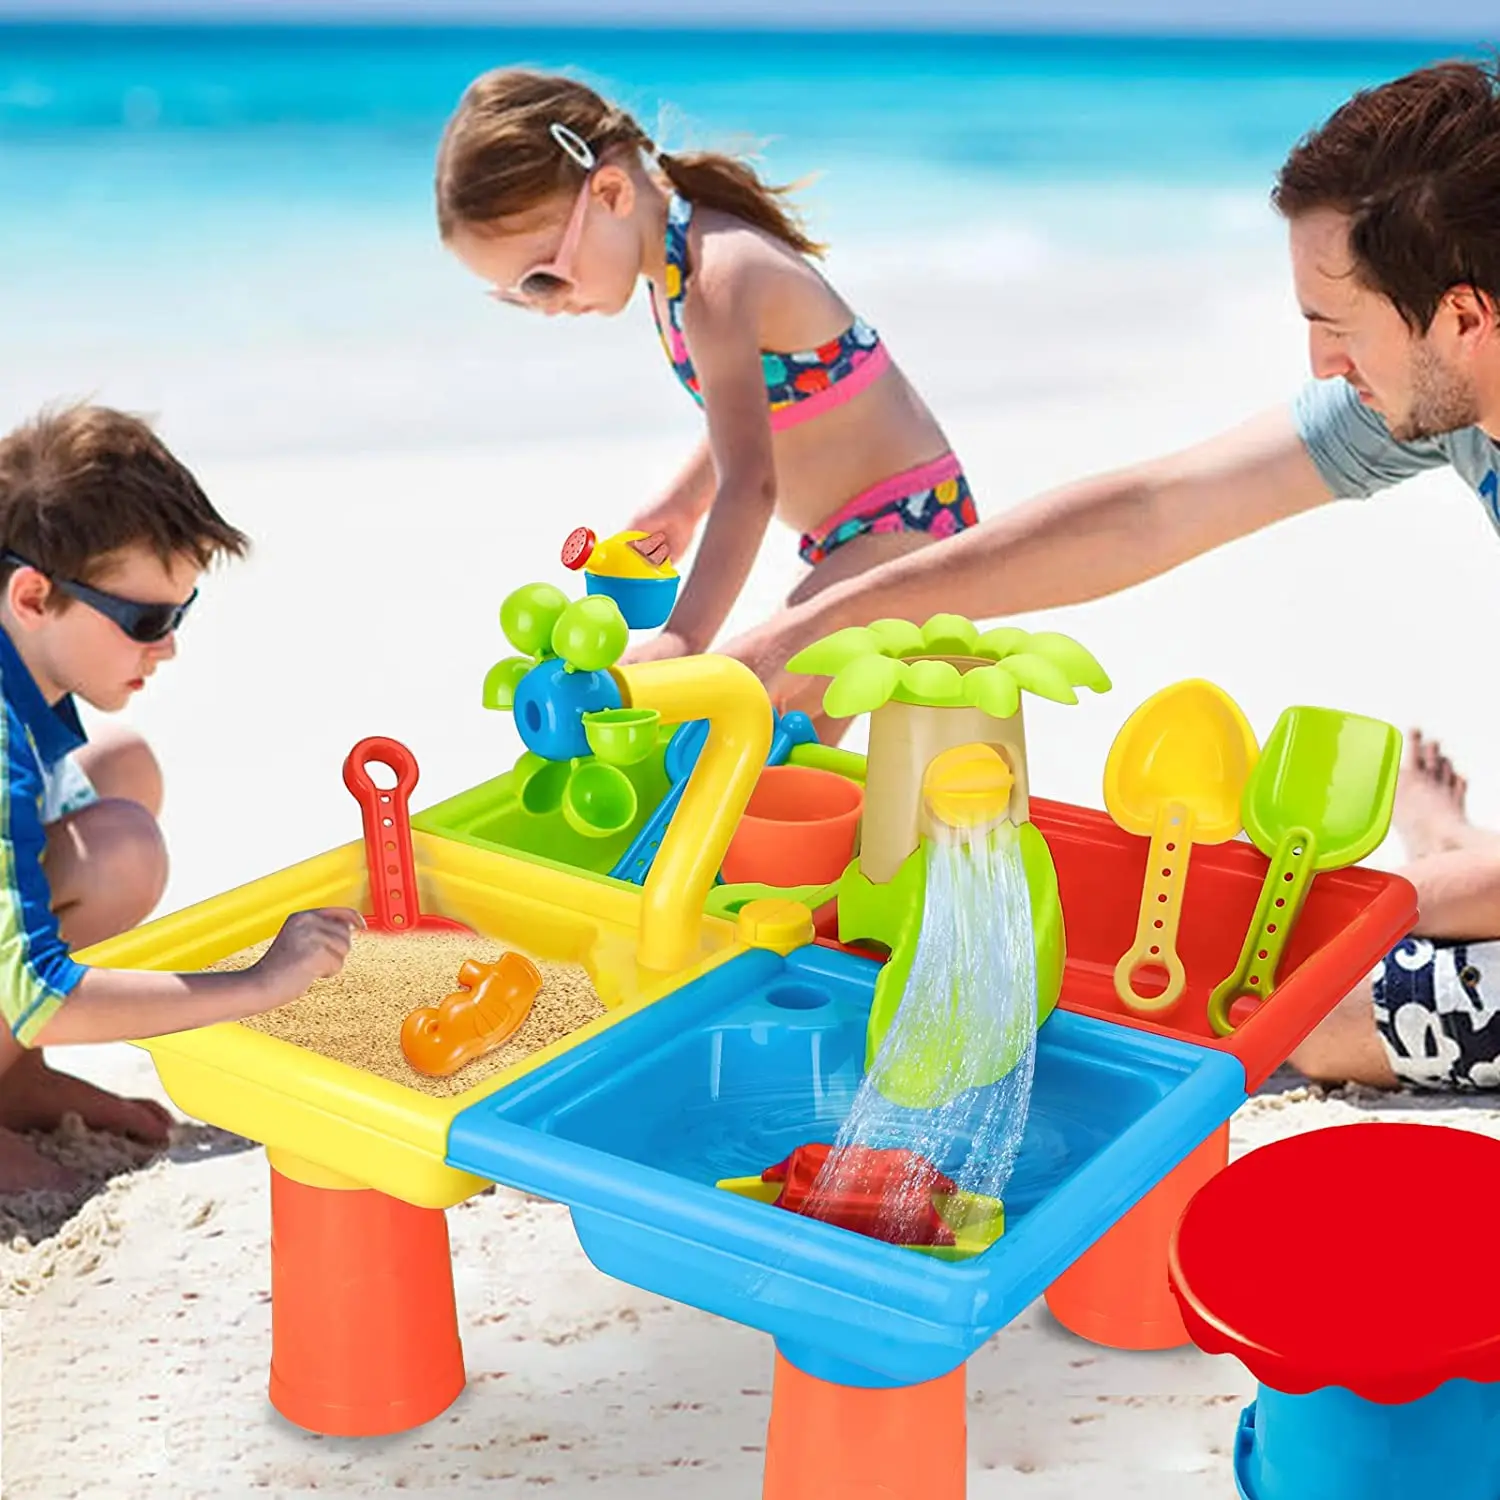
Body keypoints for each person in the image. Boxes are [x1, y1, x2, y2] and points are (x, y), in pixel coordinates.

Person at [720, 59, 1500, 1090]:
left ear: (1461, 316)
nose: (1320, 364)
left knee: (1324, 1015)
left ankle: (1453, 844)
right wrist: (838, 618)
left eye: (1337, 325)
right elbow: (1153, 510)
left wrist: (1398, 897)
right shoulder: (1448, 397)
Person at [433, 69, 979, 732]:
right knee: (840, 734)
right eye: (517, 295)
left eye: (543, 279)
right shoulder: (675, 272)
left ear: (609, 193)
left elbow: (751, 484)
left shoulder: (716, 280)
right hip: (863, 534)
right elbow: (775, 404)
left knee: (784, 692)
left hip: (914, 527)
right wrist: (686, 503)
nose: (543, 306)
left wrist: (684, 639)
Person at [0, 404, 361, 1194]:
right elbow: (37, 990)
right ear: (32, 597)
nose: (168, 646)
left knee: (124, 771)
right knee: (121, 850)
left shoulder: (23, 667)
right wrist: (259, 985)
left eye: (180, 613)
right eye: (147, 619)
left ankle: (15, 1079)